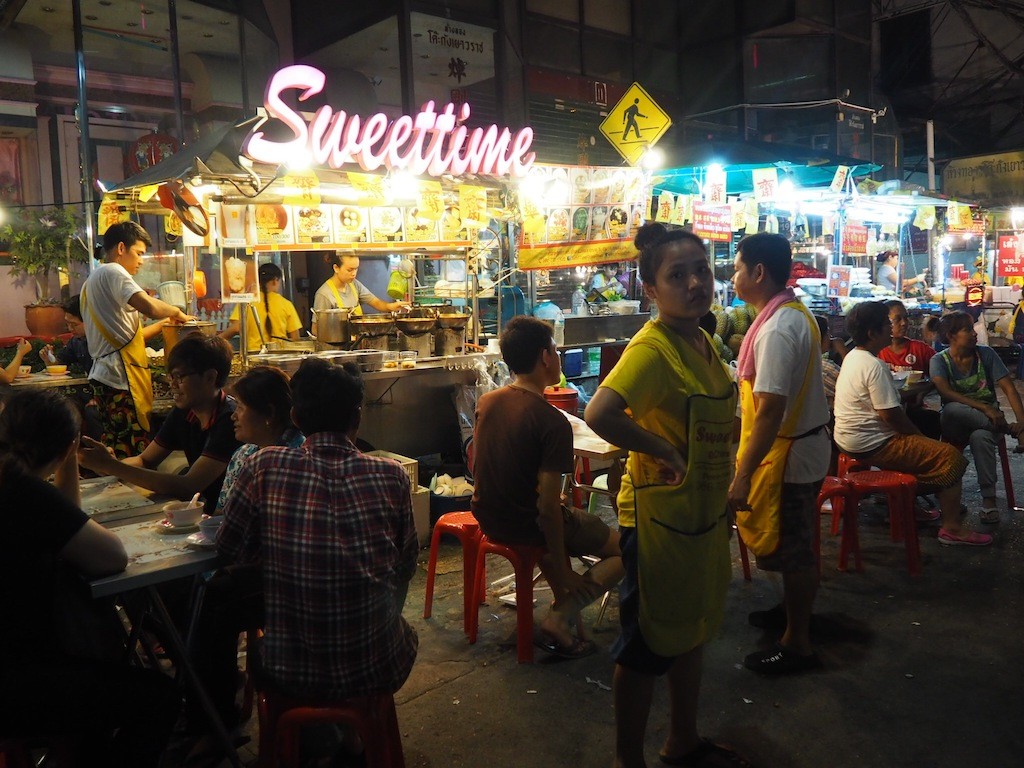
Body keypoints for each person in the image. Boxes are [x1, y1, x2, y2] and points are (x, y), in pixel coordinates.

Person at [585, 224, 749, 768]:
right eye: (676, 275)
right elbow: (600, 412)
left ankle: (682, 737)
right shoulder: (653, 349)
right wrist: (663, 449)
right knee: (646, 643)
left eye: (701, 270)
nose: (695, 283)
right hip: (656, 521)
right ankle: (627, 760)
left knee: (691, 627)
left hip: (699, 515)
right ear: (651, 289)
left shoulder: (701, 339)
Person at [217, 357, 417, 709]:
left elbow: (228, 548)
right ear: (357, 416)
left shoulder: (261, 465)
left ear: (294, 417)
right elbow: (405, 565)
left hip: (289, 670)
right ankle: (347, 734)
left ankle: (315, 739)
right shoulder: (393, 475)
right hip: (381, 663)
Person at [0, 388, 178, 766]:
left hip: (18, 670)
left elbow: (63, 522)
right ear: (68, 446)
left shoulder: (14, 482)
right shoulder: (24, 492)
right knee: (159, 697)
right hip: (21, 680)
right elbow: (111, 558)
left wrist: (66, 464)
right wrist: (70, 459)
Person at [472, 316, 623, 658]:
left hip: (490, 518)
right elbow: (546, 512)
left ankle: (561, 604)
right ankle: (560, 616)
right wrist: (563, 565)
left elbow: (499, 469)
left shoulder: (488, 402)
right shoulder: (552, 421)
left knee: (561, 516)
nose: (557, 355)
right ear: (545, 357)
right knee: (629, 550)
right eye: (555, 349)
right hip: (528, 524)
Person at [729, 232, 830, 675]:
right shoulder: (788, 314)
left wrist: (742, 474)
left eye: (736, 267)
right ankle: (791, 613)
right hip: (798, 449)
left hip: (790, 456)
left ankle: (798, 643)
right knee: (792, 545)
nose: (732, 276)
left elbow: (769, 410)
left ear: (758, 272)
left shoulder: (776, 328)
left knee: (794, 549)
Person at [187, 365, 304, 751]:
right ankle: (212, 698)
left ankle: (214, 720)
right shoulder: (246, 453)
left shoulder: (274, 458)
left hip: (280, 587)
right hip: (273, 580)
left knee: (206, 606)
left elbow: (228, 540)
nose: (234, 414)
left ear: (268, 412)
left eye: (242, 407)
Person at [833, 302, 991, 546]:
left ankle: (908, 504)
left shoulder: (854, 357)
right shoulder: (872, 365)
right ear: (872, 333)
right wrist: (919, 438)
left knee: (925, 443)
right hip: (873, 443)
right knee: (950, 457)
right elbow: (891, 416)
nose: (892, 328)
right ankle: (951, 529)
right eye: (887, 324)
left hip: (849, 439)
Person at [78, 333, 241, 516]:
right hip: (200, 513)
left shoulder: (231, 419)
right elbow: (144, 460)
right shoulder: (184, 412)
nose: (172, 385)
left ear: (210, 377)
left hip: (227, 518)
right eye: (170, 377)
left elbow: (188, 485)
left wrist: (112, 467)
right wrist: (108, 464)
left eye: (180, 377)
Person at [82, 221, 193, 457]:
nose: (142, 261)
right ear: (121, 248)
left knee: (116, 448)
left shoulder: (93, 280)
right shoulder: (113, 271)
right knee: (131, 451)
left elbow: (132, 338)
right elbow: (149, 306)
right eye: (139, 253)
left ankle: (123, 490)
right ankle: (133, 492)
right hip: (119, 380)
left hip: (106, 377)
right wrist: (175, 311)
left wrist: (164, 324)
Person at [930, 310, 1024, 523]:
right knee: (952, 408)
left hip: (987, 425)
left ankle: (989, 501)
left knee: (980, 437)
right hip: (958, 422)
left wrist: (1023, 420)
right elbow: (945, 392)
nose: (974, 334)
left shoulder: (986, 354)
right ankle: (1009, 430)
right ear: (952, 336)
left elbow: (1009, 389)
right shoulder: (939, 360)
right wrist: (986, 409)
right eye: (967, 330)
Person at [878, 299, 941, 439]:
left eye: (906, 318)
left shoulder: (921, 349)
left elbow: (939, 375)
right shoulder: (877, 352)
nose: (904, 323)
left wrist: (922, 393)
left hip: (914, 409)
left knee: (933, 420)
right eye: (897, 319)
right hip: (885, 412)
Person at [312, 252, 408, 335]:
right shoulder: (324, 294)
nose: (354, 273)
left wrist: (391, 306)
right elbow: (315, 330)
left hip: (357, 342)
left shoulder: (354, 285)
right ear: (336, 268)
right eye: (349, 270)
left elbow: (375, 302)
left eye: (356, 269)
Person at [219, 263, 303, 353]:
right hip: (280, 356)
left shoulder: (246, 302)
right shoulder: (286, 304)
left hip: (253, 355)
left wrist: (217, 340)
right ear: (275, 280)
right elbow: (295, 338)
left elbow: (236, 328)